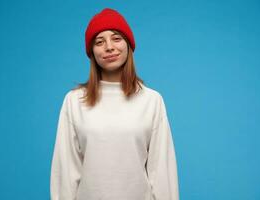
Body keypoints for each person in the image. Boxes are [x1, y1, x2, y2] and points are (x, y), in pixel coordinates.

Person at [50, 8, 179, 200]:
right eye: (99, 42)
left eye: (116, 38)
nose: (109, 47)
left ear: (128, 45)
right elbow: (66, 170)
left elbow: (161, 171)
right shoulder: (74, 101)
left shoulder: (152, 100)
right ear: (92, 52)